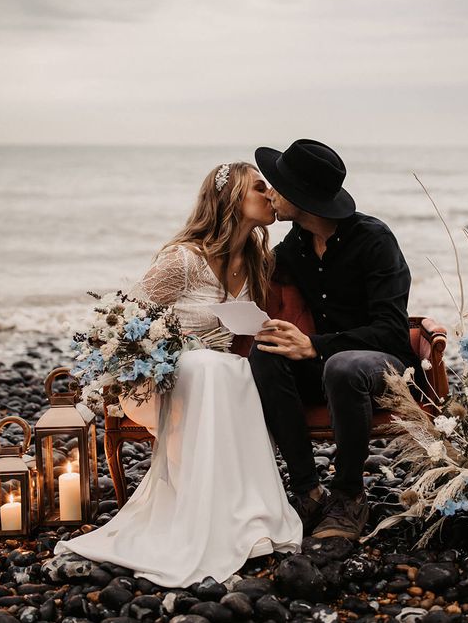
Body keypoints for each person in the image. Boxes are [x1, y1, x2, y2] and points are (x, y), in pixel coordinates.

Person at [56, 162, 302, 588]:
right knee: (209, 366)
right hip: (160, 376)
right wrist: (152, 359)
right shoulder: (183, 259)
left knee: (235, 369)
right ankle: (201, 522)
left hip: (217, 377)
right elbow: (123, 320)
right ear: (230, 201)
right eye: (259, 188)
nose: (270, 194)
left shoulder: (259, 260)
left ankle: (239, 514)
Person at [249, 139, 418, 541]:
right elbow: (249, 271)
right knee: (266, 352)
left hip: (383, 367)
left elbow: (393, 331)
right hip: (325, 369)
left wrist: (315, 345)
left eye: (276, 186)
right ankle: (307, 491)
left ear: (302, 198)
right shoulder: (298, 244)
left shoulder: (375, 241)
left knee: (343, 365)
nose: (270, 193)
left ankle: (349, 496)